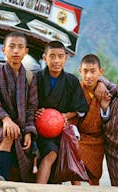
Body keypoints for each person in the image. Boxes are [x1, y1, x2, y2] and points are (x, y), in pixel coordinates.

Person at [0, 31, 38, 181]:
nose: (16, 51)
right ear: (3, 50)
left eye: (20, 47)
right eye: (11, 46)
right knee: (7, 135)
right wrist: (6, 120)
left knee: (23, 149)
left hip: (22, 125)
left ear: (26, 52)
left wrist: (29, 132)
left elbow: (32, 108)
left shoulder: (30, 78)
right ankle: (0, 180)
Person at [35, 41, 89, 184]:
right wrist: (35, 112)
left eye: (60, 56)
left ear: (66, 58)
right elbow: (29, 104)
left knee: (72, 153)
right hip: (41, 131)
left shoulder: (71, 81)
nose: (56, 61)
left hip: (63, 128)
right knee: (51, 153)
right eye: (52, 56)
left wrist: (65, 116)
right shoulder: (37, 78)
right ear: (44, 58)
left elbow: (80, 109)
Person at [75, 54, 116, 185]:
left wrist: (105, 108)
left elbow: (108, 120)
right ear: (80, 71)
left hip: (97, 139)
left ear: (100, 72)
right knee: (74, 166)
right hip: (79, 136)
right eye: (85, 71)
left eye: (93, 71)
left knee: (94, 174)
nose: (89, 76)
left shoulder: (104, 91)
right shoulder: (76, 89)